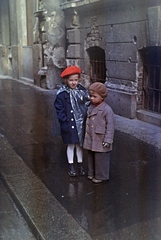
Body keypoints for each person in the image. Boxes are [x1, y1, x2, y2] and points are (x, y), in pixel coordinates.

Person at [54, 66, 90, 177]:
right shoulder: (62, 94)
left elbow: (87, 104)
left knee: (79, 145)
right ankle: (71, 166)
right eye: (70, 80)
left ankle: (80, 164)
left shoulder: (82, 91)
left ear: (78, 79)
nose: (73, 82)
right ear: (66, 80)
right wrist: (64, 122)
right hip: (69, 124)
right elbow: (59, 110)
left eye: (75, 79)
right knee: (71, 145)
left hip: (80, 124)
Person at [83, 82, 115, 183]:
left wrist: (108, 139)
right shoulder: (90, 106)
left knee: (101, 158)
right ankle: (91, 173)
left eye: (94, 96)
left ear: (102, 97)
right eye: (90, 96)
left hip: (100, 138)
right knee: (91, 156)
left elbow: (110, 126)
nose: (91, 98)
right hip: (91, 136)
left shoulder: (107, 110)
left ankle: (101, 176)